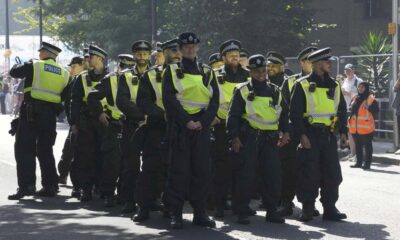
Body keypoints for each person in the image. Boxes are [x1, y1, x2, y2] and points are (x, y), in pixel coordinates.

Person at [162, 32, 219, 229]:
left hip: (201, 127)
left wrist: (203, 122)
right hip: (180, 127)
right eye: (186, 47)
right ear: (179, 49)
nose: (190, 49)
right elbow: (169, 100)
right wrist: (186, 121)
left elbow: (215, 102)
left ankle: (200, 213)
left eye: (193, 47)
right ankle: (175, 213)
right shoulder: (171, 70)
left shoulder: (207, 71)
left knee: (202, 171)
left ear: (197, 48)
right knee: (179, 172)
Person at [227, 54, 289, 224]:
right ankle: (241, 211)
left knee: (273, 176)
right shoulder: (243, 90)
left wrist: (286, 132)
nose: (261, 74)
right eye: (257, 71)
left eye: (263, 70)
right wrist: (234, 137)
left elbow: (283, 114)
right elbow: (233, 116)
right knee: (246, 176)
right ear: (250, 72)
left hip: (270, 140)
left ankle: (271, 211)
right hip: (250, 139)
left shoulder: (275, 90)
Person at [290, 47, 348, 222]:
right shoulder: (302, 85)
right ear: (315, 64)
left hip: (328, 136)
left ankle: (330, 208)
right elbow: (294, 114)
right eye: (326, 62)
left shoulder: (335, 85)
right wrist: (301, 135)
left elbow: (342, 111)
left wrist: (343, 131)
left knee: (333, 174)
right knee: (309, 173)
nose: (330, 64)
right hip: (310, 135)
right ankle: (307, 208)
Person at [8, 42, 70, 200]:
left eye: (40, 51)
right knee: (46, 150)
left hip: (31, 113)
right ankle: (50, 186)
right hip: (50, 116)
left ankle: (27, 186)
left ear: (44, 53)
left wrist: (23, 63)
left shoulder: (35, 65)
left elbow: (14, 72)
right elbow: (64, 95)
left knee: (24, 149)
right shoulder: (64, 72)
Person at [132, 38, 182, 222]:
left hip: (182, 128)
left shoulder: (193, 73)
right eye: (172, 50)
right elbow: (142, 101)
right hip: (158, 127)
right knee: (151, 167)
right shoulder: (151, 75)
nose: (177, 53)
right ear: (164, 53)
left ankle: (171, 208)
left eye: (179, 50)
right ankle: (143, 207)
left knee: (175, 170)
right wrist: (162, 114)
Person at [277, 47, 320, 217]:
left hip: (313, 133)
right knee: (289, 169)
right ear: (302, 62)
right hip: (294, 133)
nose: (313, 64)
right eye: (310, 60)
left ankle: (310, 204)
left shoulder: (325, 81)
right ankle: (286, 203)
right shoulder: (290, 81)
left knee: (312, 171)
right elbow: (282, 108)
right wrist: (285, 131)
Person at [211, 39, 249, 218]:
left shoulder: (248, 75)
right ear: (223, 57)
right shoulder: (214, 75)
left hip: (244, 128)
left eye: (237, 54)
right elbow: (208, 99)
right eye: (231, 54)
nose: (235, 57)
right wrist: (215, 118)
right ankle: (219, 204)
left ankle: (241, 204)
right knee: (222, 168)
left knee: (243, 169)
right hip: (222, 127)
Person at [69, 45, 109, 202]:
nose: (88, 59)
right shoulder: (82, 77)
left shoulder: (111, 76)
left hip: (106, 121)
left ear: (100, 59)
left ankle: (100, 186)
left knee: (104, 155)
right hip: (87, 121)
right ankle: (86, 188)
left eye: (91, 56)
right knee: (86, 156)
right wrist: (74, 123)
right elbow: (75, 101)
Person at [116, 41, 150, 214]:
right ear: (134, 55)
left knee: (152, 165)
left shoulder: (156, 74)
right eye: (138, 54)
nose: (142, 57)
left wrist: (150, 115)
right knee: (131, 165)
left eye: (145, 54)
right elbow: (121, 101)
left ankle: (149, 200)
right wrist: (141, 115)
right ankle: (128, 200)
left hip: (152, 125)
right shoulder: (126, 76)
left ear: (149, 55)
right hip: (133, 124)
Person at [58, 56, 86, 188]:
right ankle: (63, 175)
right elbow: (64, 98)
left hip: (86, 122)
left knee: (83, 153)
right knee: (68, 150)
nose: (71, 70)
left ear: (82, 65)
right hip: (74, 122)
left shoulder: (87, 80)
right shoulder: (73, 81)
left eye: (74, 66)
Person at [348, 82, 379, 170]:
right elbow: (351, 111)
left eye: (362, 87)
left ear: (366, 88)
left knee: (368, 146)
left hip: (367, 128)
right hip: (355, 128)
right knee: (358, 146)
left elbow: (376, 111)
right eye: (359, 87)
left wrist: (368, 107)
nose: (360, 89)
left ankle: (367, 164)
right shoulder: (355, 97)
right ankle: (358, 163)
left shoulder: (370, 98)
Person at [342, 64, 363, 161]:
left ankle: (358, 155)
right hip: (346, 109)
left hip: (356, 110)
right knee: (350, 133)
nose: (347, 72)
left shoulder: (358, 81)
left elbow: (362, 95)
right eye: (346, 70)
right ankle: (352, 153)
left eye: (349, 70)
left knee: (356, 133)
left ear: (354, 70)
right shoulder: (344, 81)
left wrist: (349, 93)